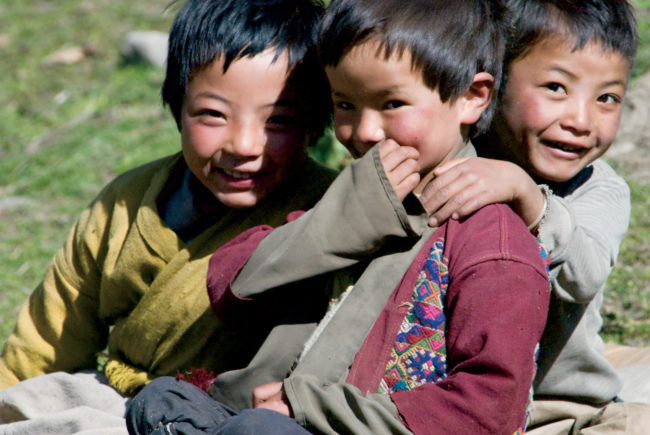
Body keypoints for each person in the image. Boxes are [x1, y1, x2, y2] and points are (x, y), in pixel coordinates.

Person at [127, 0, 551, 433]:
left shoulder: (490, 242)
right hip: (267, 415)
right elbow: (231, 291)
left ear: (471, 98)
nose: (364, 131)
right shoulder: (348, 197)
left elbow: (490, 409)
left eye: (392, 103)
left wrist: (306, 406)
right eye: (345, 105)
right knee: (161, 400)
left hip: (349, 425)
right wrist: (341, 221)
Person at [0, 0, 335, 432]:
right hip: (114, 392)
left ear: (316, 123)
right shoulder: (127, 201)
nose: (245, 145)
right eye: (213, 114)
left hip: (226, 414)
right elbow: (50, 335)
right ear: (177, 107)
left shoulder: (326, 209)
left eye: (279, 121)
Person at [413, 0, 650, 432]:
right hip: (453, 403)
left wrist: (528, 198)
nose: (581, 120)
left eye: (607, 98)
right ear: (491, 86)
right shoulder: (455, 162)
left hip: (563, 411)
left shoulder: (599, 187)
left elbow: (584, 273)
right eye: (556, 88)